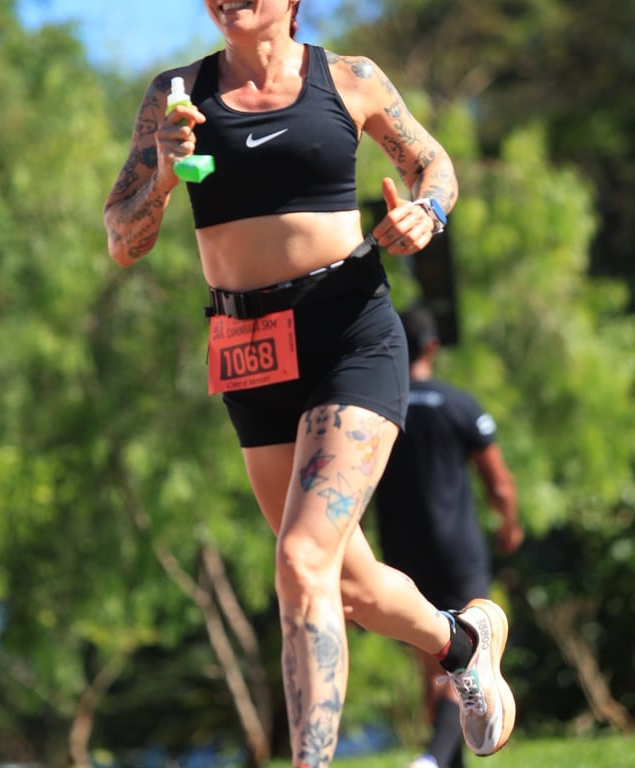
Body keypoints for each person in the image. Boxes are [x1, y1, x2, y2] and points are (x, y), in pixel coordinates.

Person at [103, 2, 515, 765]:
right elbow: (123, 240)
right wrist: (161, 177)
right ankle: (463, 640)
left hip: (347, 334)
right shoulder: (175, 94)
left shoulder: (350, 79)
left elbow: (434, 165)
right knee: (343, 584)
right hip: (247, 351)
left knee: (300, 561)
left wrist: (427, 212)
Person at [373, 305, 524, 768]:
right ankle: (434, 759)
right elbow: (499, 484)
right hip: (457, 549)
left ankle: (441, 759)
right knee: (464, 657)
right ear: (434, 346)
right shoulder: (459, 403)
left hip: (401, 554)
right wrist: (509, 525)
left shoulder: (378, 409)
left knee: (435, 662)